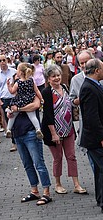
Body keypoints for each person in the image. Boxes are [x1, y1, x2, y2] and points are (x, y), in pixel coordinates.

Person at [41, 64, 87, 195]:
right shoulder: (46, 92)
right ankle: (58, 184)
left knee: (71, 156)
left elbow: (70, 106)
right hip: (54, 131)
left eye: (58, 75)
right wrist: (53, 134)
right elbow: (48, 115)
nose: (56, 78)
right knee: (58, 158)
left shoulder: (65, 88)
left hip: (68, 129)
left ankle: (76, 184)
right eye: (53, 76)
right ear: (48, 79)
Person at [10, 97, 52, 206]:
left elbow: (35, 106)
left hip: (31, 132)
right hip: (18, 134)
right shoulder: (14, 97)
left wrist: (18, 109)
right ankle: (35, 191)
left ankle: (46, 192)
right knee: (27, 164)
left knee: (39, 163)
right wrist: (10, 113)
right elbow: (10, 111)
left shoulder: (32, 94)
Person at [79, 58, 103, 214]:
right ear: (97, 70)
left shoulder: (93, 85)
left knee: (100, 171)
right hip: (95, 139)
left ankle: (100, 199)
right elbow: (91, 118)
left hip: (95, 138)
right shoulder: (88, 88)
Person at [69, 50, 94, 170]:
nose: (84, 65)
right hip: (87, 123)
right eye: (81, 63)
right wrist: (77, 101)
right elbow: (71, 100)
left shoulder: (100, 75)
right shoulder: (76, 80)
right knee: (94, 159)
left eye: (86, 62)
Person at [6, 63, 43, 140]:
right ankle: (38, 129)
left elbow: (12, 91)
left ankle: (8, 129)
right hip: (29, 100)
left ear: (20, 72)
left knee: (13, 115)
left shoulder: (18, 82)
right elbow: (37, 91)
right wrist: (41, 98)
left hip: (19, 101)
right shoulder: (31, 80)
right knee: (32, 116)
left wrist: (9, 86)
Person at [0, 54, 17, 152]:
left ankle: (19, 140)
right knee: (9, 120)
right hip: (5, 99)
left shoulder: (14, 71)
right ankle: (13, 142)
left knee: (18, 119)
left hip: (15, 98)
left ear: (7, 60)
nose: (2, 62)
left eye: (4, 60)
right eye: (0, 61)